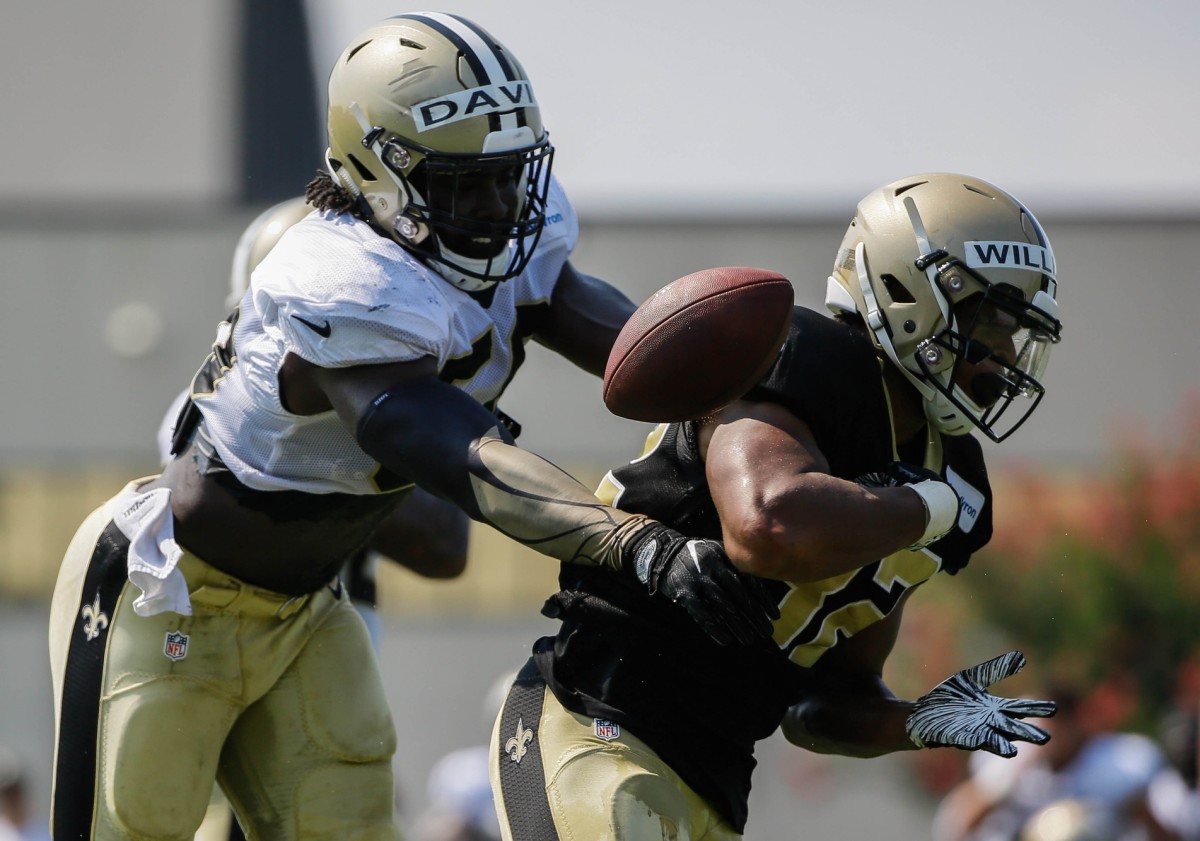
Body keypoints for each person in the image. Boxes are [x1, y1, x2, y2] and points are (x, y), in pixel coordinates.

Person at [48, 12, 775, 841]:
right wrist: (632, 541)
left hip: (303, 609)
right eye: (469, 183)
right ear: (380, 174)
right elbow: (460, 453)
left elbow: (637, 348)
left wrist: (768, 404)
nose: (501, 205)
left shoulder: (507, 244)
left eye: (508, 175)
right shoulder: (341, 277)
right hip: (169, 593)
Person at [489, 172, 1065, 840]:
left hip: (714, 778)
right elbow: (766, 525)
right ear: (909, 294)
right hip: (595, 719)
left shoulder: (954, 473)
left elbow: (820, 702)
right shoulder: (801, 354)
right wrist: (922, 507)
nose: (1001, 357)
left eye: (1013, 333)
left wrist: (915, 720)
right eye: (987, 323)